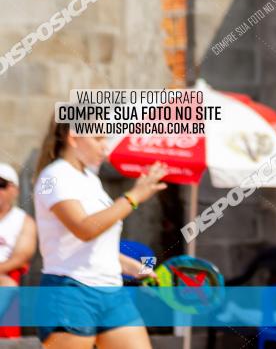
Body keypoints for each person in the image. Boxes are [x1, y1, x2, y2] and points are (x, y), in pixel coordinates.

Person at [34, 119, 168, 349]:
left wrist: (130, 266)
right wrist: (134, 196)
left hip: (111, 292)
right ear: (74, 137)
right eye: (98, 138)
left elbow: (94, 244)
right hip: (70, 293)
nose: (105, 147)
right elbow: (85, 229)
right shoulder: (53, 177)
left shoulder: (90, 179)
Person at [0, 163, 37, 337]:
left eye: (1, 184)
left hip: (6, 277)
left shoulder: (22, 220)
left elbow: (21, 258)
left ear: (14, 189)